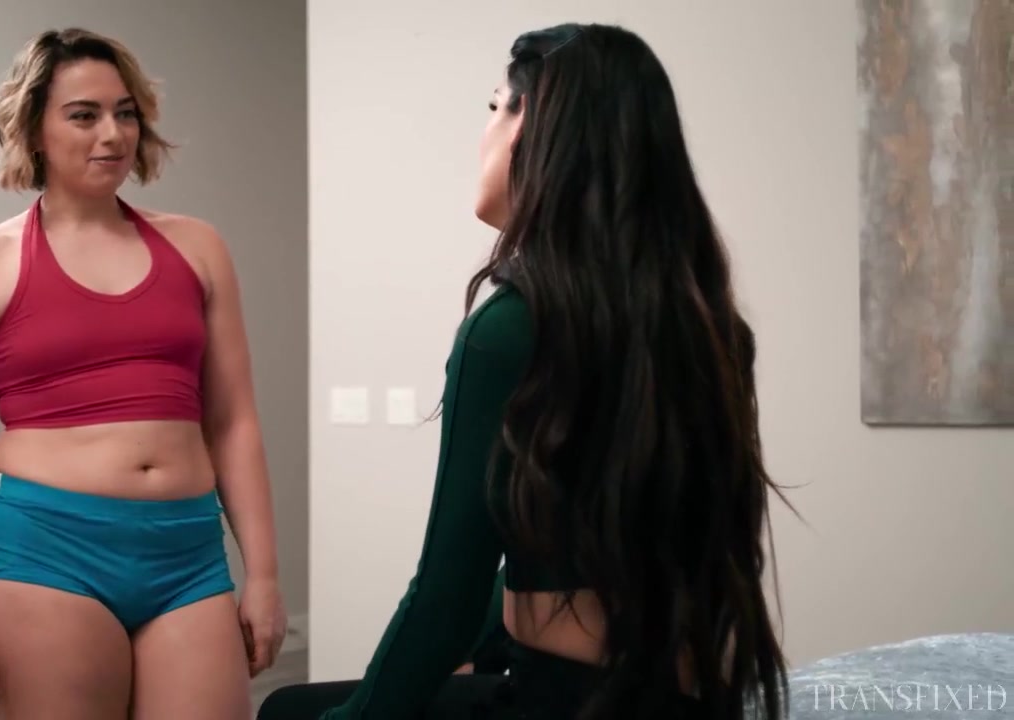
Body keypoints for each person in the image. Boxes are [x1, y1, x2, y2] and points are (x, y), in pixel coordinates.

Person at [258, 22, 795, 720]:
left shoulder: (509, 330)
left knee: (287, 712)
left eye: (495, 106)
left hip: (563, 701)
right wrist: (478, 643)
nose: (483, 133)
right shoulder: (709, 327)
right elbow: (577, 556)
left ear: (537, 129)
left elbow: (446, 595)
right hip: (688, 701)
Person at [0, 27, 287, 720]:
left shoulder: (198, 247)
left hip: (187, 554)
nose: (111, 134)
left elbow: (233, 424)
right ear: (34, 129)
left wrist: (263, 574)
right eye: (83, 115)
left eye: (125, 113)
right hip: (45, 554)